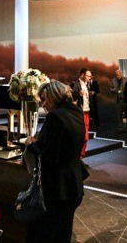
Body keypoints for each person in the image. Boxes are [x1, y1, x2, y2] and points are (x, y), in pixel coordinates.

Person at [24, 80, 88, 243]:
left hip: (59, 187)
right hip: (73, 182)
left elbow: (49, 156)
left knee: (49, 233)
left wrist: (31, 144)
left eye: (45, 99)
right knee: (64, 231)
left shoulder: (55, 116)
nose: (43, 104)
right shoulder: (76, 111)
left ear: (55, 96)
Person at [69, 68, 93, 159]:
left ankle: (81, 156)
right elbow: (71, 97)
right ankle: (78, 156)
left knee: (85, 137)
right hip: (80, 112)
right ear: (82, 75)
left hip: (87, 111)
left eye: (90, 76)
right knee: (83, 136)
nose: (89, 78)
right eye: (88, 76)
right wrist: (78, 94)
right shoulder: (76, 84)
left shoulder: (87, 85)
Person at [110, 69, 125, 133]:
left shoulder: (125, 79)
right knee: (119, 115)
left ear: (121, 74)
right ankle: (121, 128)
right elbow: (111, 89)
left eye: (118, 75)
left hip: (125, 99)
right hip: (118, 100)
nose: (117, 76)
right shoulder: (113, 80)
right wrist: (112, 90)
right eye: (116, 75)